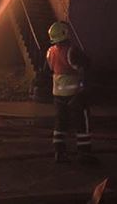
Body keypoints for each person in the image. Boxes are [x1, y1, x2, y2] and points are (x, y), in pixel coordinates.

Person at [45, 20, 93, 163]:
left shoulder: (50, 52)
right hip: (75, 95)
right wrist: (83, 86)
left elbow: (47, 70)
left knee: (60, 124)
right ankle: (84, 154)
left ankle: (59, 152)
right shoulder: (72, 51)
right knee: (81, 123)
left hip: (57, 95)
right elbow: (86, 66)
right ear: (65, 33)